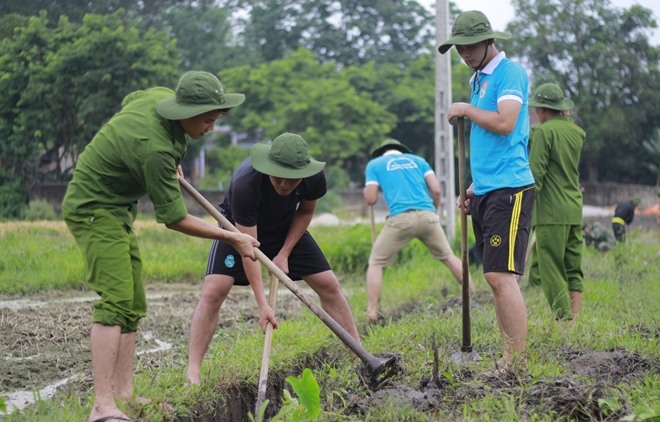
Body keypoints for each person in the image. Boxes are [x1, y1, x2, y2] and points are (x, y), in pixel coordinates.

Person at [62, 71, 259, 422]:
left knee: (134, 301)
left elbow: (129, 103)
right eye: (207, 120)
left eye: (216, 120)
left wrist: (163, 164)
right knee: (117, 300)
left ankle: (125, 393)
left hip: (118, 209)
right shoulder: (154, 149)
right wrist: (231, 237)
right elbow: (175, 219)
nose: (212, 128)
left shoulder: (159, 99)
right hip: (93, 208)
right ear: (184, 111)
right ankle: (102, 404)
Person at [186, 133, 361, 385]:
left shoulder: (313, 178)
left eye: (292, 179)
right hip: (237, 228)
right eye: (278, 176)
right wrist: (262, 304)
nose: (284, 184)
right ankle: (193, 371)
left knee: (329, 283)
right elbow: (249, 249)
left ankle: (359, 356)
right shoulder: (247, 183)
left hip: (285, 226)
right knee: (214, 290)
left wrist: (284, 253)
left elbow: (307, 211)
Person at [439, 10, 534, 369]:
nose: (465, 54)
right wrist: (473, 187)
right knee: (494, 277)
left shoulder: (509, 72)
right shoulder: (478, 78)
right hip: (488, 188)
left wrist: (465, 109)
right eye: (459, 49)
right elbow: (487, 141)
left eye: (470, 46)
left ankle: (516, 360)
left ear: (488, 40)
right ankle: (509, 354)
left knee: (498, 275)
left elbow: (506, 123)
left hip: (510, 188)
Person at [363, 139, 474, 324]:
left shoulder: (375, 164)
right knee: (448, 256)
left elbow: (371, 199)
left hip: (400, 219)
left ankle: (373, 310)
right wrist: (433, 212)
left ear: (382, 153)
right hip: (428, 215)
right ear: (402, 151)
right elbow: (437, 190)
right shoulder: (419, 160)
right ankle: (472, 292)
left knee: (376, 262)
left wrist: (367, 193)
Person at [528, 83, 585, 321]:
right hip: (574, 206)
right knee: (573, 266)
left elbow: (536, 174)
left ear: (542, 109)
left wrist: (525, 208)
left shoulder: (543, 132)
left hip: (551, 210)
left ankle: (564, 321)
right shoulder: (577, 132)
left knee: (550, 266)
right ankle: (574, 319)